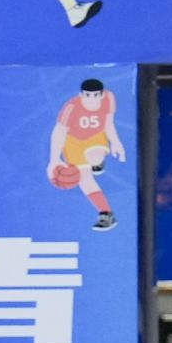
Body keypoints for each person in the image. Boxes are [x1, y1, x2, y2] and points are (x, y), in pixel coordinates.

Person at [50, 79, 125, 232]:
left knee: (95, 158)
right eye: (88, 95)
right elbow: (59, 132)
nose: (92, 99)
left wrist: (116, 143)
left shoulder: (109, 98)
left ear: (102, 94)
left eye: (96, 95)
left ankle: (96, 162)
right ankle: (106, 213)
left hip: (96, 136)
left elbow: (108, 124)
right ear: (81, 95)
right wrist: (54, 159)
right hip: (73, 141)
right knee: (84, 179)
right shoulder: (71, 107)